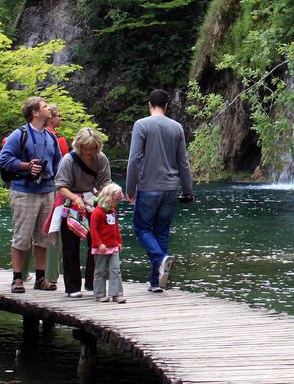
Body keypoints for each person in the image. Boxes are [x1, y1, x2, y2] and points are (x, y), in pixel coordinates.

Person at [125, 89, 194, 292]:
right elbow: (183, 162)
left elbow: (134, 158)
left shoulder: (142, 125)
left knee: (142, 229)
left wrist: (130, 188)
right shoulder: (177, 127)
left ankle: (161, 258)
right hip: (171, 188)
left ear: (149, 104)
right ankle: (156, 283)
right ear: (167, 106)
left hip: (148, 187)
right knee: (161, 233)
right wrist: (188, 190)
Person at [0, 96, 62, 294]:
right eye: (44, 106)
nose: (48, 108)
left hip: (47, 191)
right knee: (22, 237)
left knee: (43, 238)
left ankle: (41, 278)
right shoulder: (20, 135)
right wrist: (27, 166)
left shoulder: (51, 137)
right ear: (35, 112)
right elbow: (4, 159)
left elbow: (58, 163)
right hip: (24, 191)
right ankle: (17, 278)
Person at [54, 127, 112, 297]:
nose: (89, 152)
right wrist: (74, 197)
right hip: (71, 204)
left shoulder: (101, 159)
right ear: (79, 146)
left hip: (93, 203)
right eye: (86, 149)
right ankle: (72, 287)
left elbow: (105, 182)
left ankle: (92, 282)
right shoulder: (68, 160)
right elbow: (60, 186)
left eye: (92, 149)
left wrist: (103, 196)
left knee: (96, 243)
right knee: (70, 246)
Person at [90, 183, 126, 303]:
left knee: (116, 270)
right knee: (100, 271)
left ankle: (116, 293)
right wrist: (99, 244)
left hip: (113, 246)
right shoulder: (97, 212)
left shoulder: (112, 211)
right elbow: (93, 230)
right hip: (101, 248)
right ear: (108, 199)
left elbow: (115, 228)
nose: (115, 205)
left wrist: (119, 241)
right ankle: (99, 294)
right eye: (115, 202)